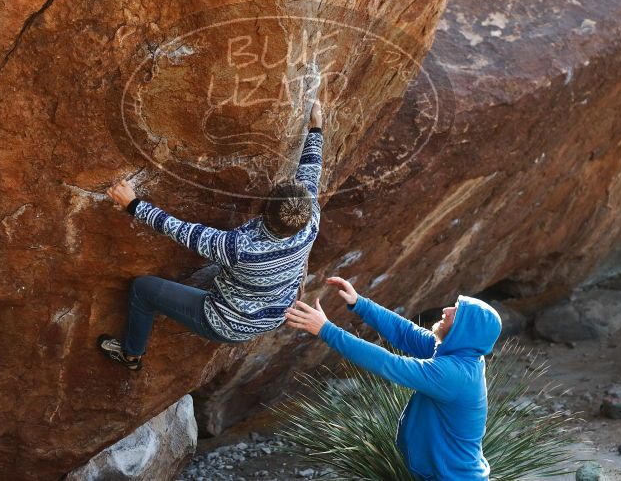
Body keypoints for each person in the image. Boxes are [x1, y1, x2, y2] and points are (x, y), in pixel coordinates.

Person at [97, 101, 325, 371]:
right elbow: (310, 173)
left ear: (265, 209)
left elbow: (181, 231)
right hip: (275, 312)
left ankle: (131, 356)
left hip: (226, 321)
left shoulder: (239, 248)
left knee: (143, 289)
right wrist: (316, 128)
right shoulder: (309, 219)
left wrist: (133, 204)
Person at [285, 276, 502, 481]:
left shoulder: (454, 374)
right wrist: (361, 304)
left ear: (466, 330)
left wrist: (327, 330)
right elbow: (406, 333)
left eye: (457, 311)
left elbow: (388, 364)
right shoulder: (457, 352)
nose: (446, 310)